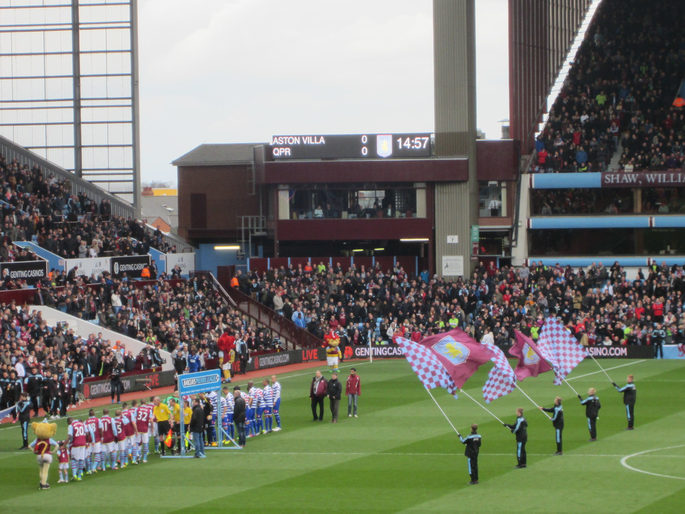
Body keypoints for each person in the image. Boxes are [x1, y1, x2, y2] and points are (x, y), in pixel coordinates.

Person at [28, 421, 58, 490]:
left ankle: (42, 482)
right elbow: (57, 445)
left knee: (41, 470)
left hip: (39, 456)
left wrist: (34, 451)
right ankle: (43, 484)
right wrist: (53, 451)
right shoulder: (49, 439)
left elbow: (29, 446)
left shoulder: (37, 439)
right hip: (47, 455)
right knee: (45, 471)